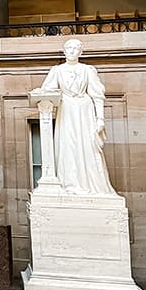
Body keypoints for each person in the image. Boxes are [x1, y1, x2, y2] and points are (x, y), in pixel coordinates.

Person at [39, 39, 115, 195]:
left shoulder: (88, 70)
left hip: (84, 111)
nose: (72, 51)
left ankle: (91, 185)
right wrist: (40, 92)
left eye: (76, 48)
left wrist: (100, 118)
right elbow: (47, 90)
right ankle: (70, 183)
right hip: (66, 109)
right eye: (69, 48)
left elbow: (97, 95)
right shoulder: (57, 70)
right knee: (68, 146)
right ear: (64, 51)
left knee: (88, 145)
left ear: (81, 52)